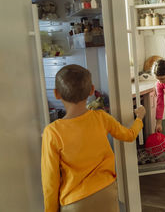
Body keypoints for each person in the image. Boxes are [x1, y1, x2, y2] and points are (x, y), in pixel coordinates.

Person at [41, 64, 145, 212]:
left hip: (75, 201)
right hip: (107, 192)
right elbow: (129, 135)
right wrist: (139, 118)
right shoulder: (101, 117)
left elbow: (50, 182)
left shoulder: (52, 132)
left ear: (56, 94)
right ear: (91, 90)